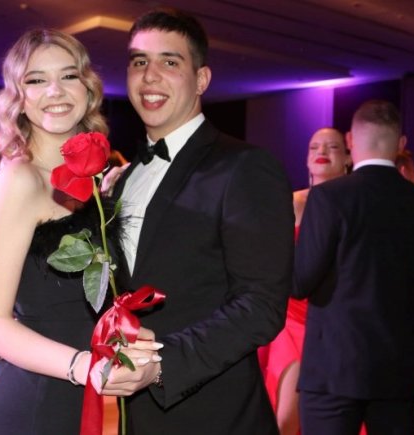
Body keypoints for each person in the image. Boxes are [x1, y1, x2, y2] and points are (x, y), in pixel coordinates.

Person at [104, 9, 294, 434]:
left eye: (169, 62)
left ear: (202, 79)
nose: (149, 76)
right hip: (137, 416)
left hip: (216, 415)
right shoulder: (125, 178)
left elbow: (261, 305)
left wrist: (162, 365)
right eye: (139, 61)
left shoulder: (245, 167)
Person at [0, 28, 160, 435]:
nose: (55, 90)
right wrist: (84, 366)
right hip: (29, 407)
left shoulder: (91, 183)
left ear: (88, 89)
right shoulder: (19, 180)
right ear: (18, 98)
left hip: (70, 402)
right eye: (36, 80)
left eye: (68, 75)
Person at [293, 100, 414, 434]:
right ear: (400, 143)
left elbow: (300, 282)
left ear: (351, 140)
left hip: (334, 366)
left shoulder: (328, 198)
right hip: (398, 368)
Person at [260, 127, 350, 435]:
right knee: (286, 417)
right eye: (314, 147)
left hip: (339, 320)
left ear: (348, 156)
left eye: (332, 146)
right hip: (292, 320)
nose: (322, 151)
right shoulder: (291, 204)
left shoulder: (355, 204)